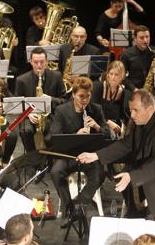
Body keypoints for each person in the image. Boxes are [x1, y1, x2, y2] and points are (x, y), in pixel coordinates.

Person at [78, 89, 155, 245]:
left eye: (136, 110)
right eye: (131, 111)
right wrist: (96, 155)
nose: (132, 115)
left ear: (149, 108)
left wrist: (131, 176)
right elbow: (126, 144)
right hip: (152, 186)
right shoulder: (141, 122)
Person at [46, 77, 110, 227]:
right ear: (74, 94)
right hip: (69, 154)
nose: (85, 100)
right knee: (56, 172)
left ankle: (77, 206)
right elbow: (53, 137)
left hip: (90, 155)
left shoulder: (96, 109)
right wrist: (76, 135)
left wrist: (98, 127)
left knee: (99, 176)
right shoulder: (61, 111)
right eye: (81, 96)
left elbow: (109, 134)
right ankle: (68, 208)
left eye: (88, 96)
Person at [15, 47, 65, 153]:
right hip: (30, 116)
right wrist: (27, 114)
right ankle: (32, 156)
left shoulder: (57, 76)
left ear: (47, 62)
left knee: (52, 134)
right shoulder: (21, 80)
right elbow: (18, 103)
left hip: (51, 115)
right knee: (25, 131)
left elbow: (64, 100)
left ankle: (51, 158)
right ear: (31, 62)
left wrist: (50, 99)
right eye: (36, 62)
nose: (39, 65)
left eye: (42, 62)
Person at [91, 61, 130, 139]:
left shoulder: (124, 91)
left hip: (114, 126)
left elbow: (124, 114)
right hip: (97, 124)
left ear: (122, 77)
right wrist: (109, 123)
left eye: (116, 75)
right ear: (107, 74)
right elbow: (93, 111)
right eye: (111, 74)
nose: (112, 77)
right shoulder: (98, 87)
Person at [121, 25, 155, 92]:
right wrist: (134, 89)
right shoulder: (127, 54)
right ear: (135, 39)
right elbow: (122, 76)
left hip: (152, 91)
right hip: (134, 90)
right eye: (141, 38)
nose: (145, 40)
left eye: (147, 37)